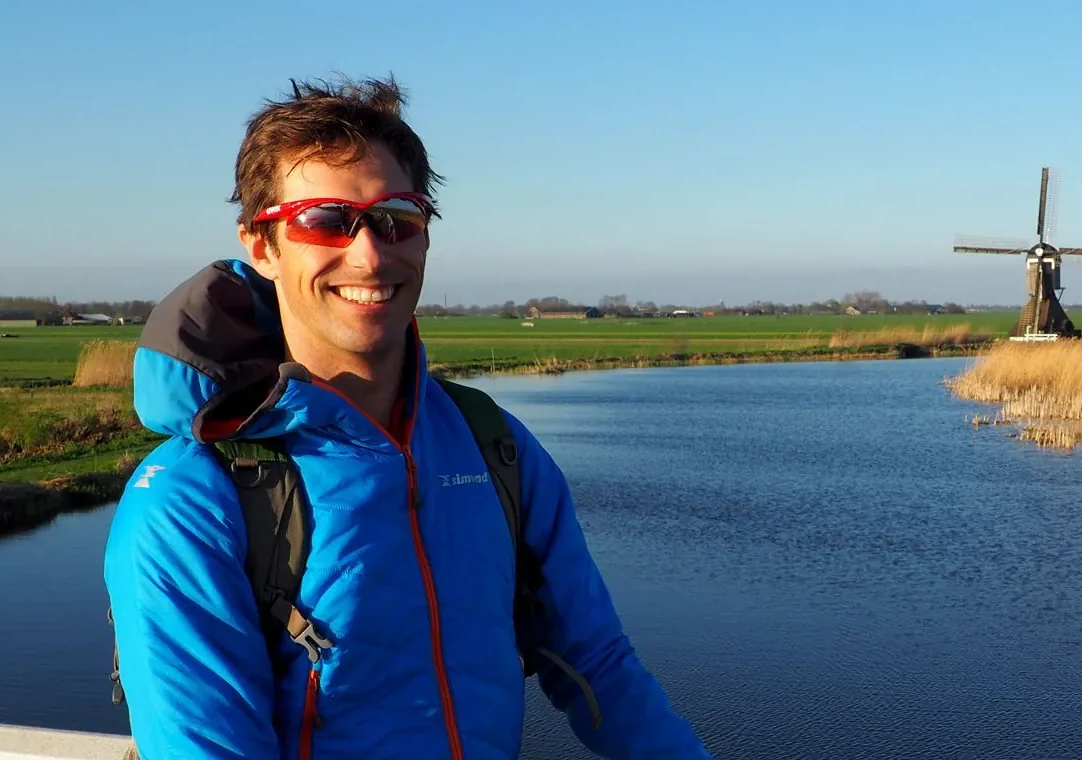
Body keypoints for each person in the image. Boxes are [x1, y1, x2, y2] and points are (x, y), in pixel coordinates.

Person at [103, 75, 711, 759]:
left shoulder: (492, 445)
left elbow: (600, 669)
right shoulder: (193, 498)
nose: (369, 253)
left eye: (396, 218)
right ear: (261, 245)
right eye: (326, 220)